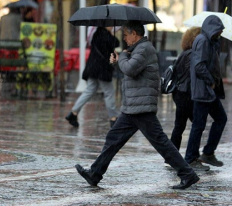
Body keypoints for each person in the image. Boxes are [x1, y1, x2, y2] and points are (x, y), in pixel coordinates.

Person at [75, 21, 199, 190]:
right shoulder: (137, 50)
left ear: (134, 33)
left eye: (126, 35)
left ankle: (187, 174)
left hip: (141, 106)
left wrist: (122, 57)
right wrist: (118, 60)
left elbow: (131, 68)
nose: (124, 38)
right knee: (114, 138)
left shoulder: (144, 49)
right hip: (133, 105)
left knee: (161, 142)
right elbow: (129, 70)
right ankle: (95, 173)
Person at [184, 15, 227, 168]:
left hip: (209, 91)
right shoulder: (202, 41)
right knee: (199, 125)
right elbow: (199, 66)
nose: (220, 34)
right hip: (204, 90)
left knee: (219, 119)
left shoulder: (211, 41)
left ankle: (207, 153)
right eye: (218, 31)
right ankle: (191, 157)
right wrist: (210, 82)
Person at [65, 27, 120, 128]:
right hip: (102, 69)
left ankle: (73, 112)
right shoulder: (106, 35)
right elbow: (116, 43)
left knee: (89, 90)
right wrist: (111, 34)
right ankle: (113, 118)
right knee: (109, 92)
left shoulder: (96, 34)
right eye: (110, 25)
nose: (112, 27)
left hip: (92, 67)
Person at [170, 27, 201, 151]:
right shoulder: (191, 54)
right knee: (195, 125)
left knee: (180, 126)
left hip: (181, 93)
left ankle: (172, 156)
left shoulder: (184, 53)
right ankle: (191, 155)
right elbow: (191, 74)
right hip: (186, 94)